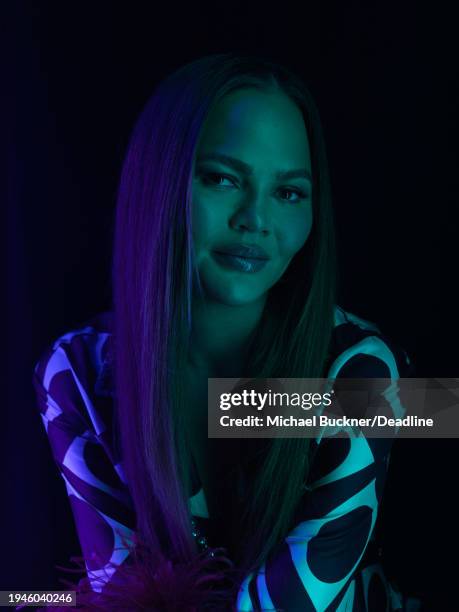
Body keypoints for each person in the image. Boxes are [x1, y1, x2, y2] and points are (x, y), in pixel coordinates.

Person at [32, 53, 417, 611]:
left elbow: (297, 602)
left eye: (289, 192)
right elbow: (122, 592)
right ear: (159, 184)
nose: (255, 218)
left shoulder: (364, 371)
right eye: (221, 178)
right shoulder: (75, 373)